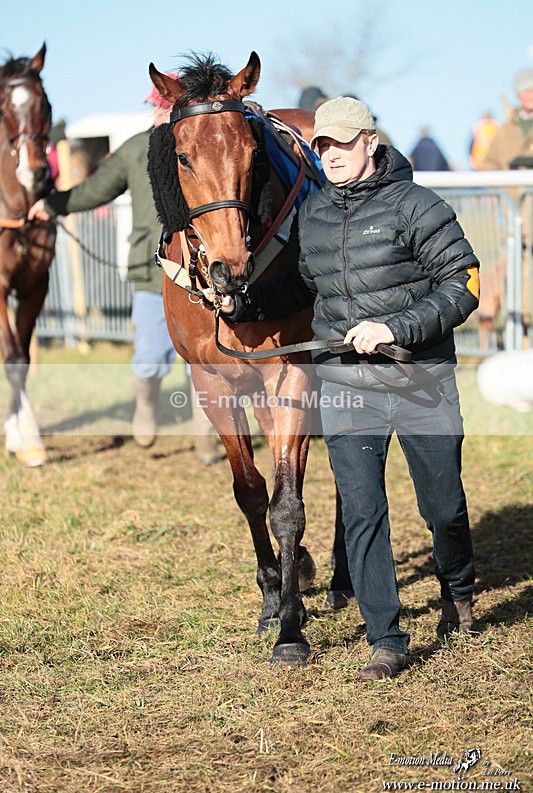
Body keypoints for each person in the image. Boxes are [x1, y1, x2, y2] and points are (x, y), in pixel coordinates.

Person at [206, 97, 480, 680]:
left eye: (343, 143)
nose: (331, 154)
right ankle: (386, 637)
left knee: (443, 507)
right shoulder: (314, 216)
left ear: (370, 143)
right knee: (361, 509)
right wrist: (241, 305)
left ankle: (457, 589)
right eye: (323, 145)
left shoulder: (418, 206)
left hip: (420, 377)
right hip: (347, 383)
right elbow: (302, 290)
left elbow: (463, 284)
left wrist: (395, 327)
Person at [29, 79, 223, 464]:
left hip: (202, 273)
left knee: (206, 362)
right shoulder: (136, 149)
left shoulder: (205, 143)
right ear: (152, 106)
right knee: (151, 356)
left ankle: (206, 438)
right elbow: (96, 189)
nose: (165, 110)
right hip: (152, 273)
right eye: (160, 103)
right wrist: (52, 205)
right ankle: (146, 404)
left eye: (172, 103)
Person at [482, 68, 533, 170]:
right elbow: (490, 162)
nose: (531, 95)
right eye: (526, 91)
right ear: (518, 95)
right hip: (511, 180)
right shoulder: (504, 131)